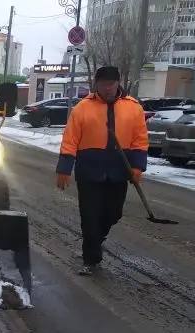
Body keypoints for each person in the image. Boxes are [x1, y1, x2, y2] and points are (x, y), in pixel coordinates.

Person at [55, 66, 149, 276]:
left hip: (118, 170)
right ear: (96, 84)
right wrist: (64, 168)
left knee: (113, 213)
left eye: (111, 83)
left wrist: (137, 167)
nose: (108, 88)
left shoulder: (133, 108)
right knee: (89, 216)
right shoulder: (83, 108)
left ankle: (96, 238)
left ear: (118, 83)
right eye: (103, 84)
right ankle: (91, 258)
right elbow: (70, 139)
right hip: (89, 170)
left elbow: (140, 140)